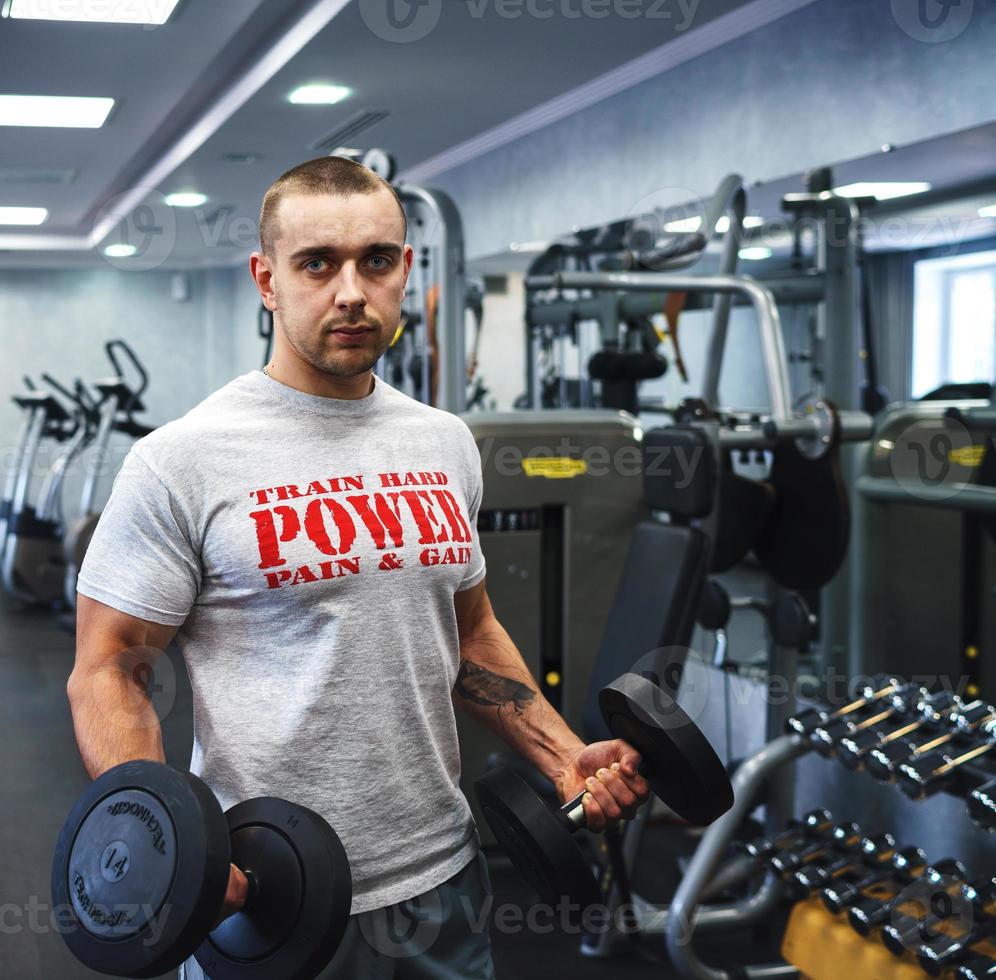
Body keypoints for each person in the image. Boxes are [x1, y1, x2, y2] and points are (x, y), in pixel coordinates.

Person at [66, 156, 650, 979]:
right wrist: (173, 845)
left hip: (444, 876)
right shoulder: (181, 460)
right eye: (317, 264)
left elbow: (470, 631)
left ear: (405, 271)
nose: (351, 291)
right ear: (266, 280)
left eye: (376, 261)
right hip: (272, 888)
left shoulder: (443, 442)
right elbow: (108, 668)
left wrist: (562, 757)